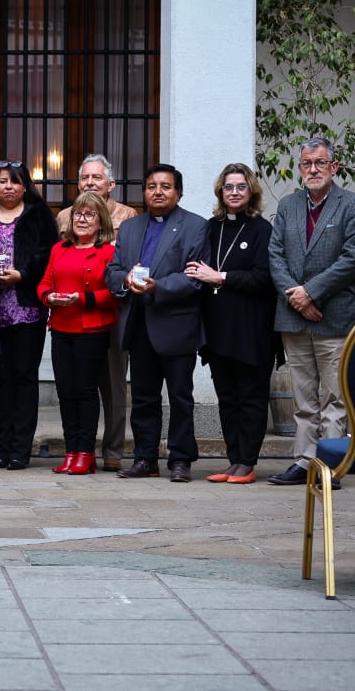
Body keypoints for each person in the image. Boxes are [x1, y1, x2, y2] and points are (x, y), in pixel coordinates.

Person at [266, 135, 355, 485]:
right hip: (294, 319)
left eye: (320, 163)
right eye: (307, 163)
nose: (313, 169)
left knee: (334, 398)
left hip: (336, 316)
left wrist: (310, 294)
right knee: (303, 399)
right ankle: (303, 462)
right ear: (300, 168)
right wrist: (297, 299)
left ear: (334, 167)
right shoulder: (288, 205)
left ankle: (331, 465)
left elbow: (351, 258)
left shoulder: (352, 204)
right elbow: (275, 255)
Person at [105, 163, 208, 483]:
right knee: (144, 397)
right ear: (144, 192)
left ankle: (180, 460)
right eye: (151, 186)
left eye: (165, 186)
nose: (158, 192)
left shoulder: (195, 226)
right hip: (139, 324)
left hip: (177, 323)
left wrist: (157, 287)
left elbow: (194, 278)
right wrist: (125, 280)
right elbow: (113, 271)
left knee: (180, 397)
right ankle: (145, 458)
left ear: (178, 192)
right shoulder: (132, 227)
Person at [185, 164, 277, 485]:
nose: (234, 192)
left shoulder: (262, 230)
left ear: (251, 191)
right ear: (220, 193)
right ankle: (233, 460)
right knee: (228, 397)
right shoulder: (211, 228)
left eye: (240, 187)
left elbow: (264, 278)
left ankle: (247, 463)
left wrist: (219, 277)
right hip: (218, 329)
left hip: (252, 329)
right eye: (228, 187)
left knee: (251, 396)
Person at [0, 161, 59, 469]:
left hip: (26, 310)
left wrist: (22, 274)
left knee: (24, 378)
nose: (9, 187)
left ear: (25, 187)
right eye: (3, 181)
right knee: (2, 381)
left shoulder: (40, 217)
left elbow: (48, 256)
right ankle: (2, 449)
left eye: (15, 182)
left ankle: (21, 449)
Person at [59, 154, 139, 470]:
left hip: (116, 308)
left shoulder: (128, 215)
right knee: (79, 384)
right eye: (85, 178)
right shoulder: (66, 216)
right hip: (76, 313)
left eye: (97, 177)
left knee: (114, 382)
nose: (91, 183)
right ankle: (80, 449)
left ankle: (114, 450)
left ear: (111, 183)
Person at [37, 191, 118, 476]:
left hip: (91, 329)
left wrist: (81, 299)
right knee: (65, 392)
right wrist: (49, 297)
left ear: (101, 220)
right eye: (78, 214)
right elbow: (44, 282)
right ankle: (71, 452)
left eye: (89, 214)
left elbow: (114, 292)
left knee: (84, 392)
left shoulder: (109, 252)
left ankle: (86, 453)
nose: (82, 220)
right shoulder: (60, 248)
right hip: (60, 327)